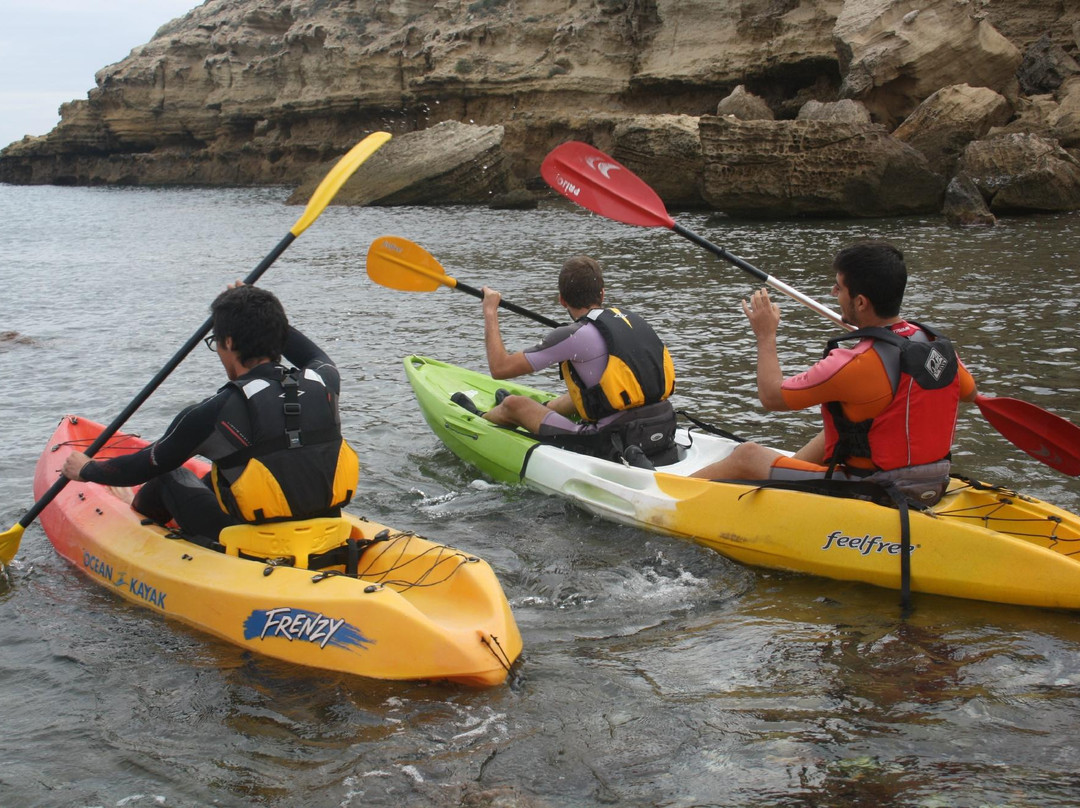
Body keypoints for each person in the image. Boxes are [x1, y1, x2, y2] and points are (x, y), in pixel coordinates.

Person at [61, 283, 359, 546]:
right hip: (328, 532)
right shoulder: (324, 381)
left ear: (228, 342)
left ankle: (146, 529)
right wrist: (266, 320)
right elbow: (314, 355)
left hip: (252, 542)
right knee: (215, 479)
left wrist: (87, 469)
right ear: (279, 335)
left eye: (216, 340)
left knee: (170, 475)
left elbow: (144, 466)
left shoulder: (212, 412)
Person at [690, 240, 977, 504]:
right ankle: (781, 483)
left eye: (839, 288)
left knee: (747, 456)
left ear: (861, 302)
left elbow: (771, 396)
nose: (833, 293)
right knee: (839, 427)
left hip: (877, 489)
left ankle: (668, 493)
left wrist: (765, 335)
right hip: (933, 482)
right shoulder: (934, 345)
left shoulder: (854, 363)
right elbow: (968, 393)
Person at [453, 254, 678, 464]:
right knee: (586, 390)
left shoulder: (573, 335)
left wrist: (490, 310)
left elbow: (499, 368)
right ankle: (543, 407)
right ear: (602, 294)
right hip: (663, 425)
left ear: (562, 300)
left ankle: (482, 417)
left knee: (515, 404)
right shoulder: (631, 320)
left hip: (611, 441)